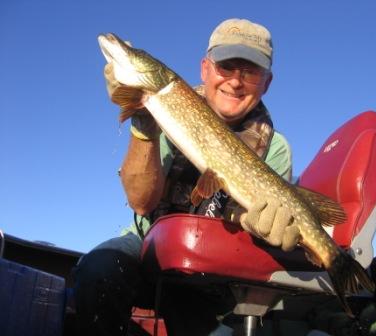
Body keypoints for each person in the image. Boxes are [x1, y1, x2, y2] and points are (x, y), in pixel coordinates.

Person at [74, 18, 299, 336]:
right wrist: (143, 123)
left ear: (267, 82)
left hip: (215, 261)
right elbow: (141, 203)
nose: (235, 82)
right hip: (148, 240)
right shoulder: (168, 110)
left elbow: (260, 229)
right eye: (226, 67)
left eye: (249, 72)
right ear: (205, 68)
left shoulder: (275, 147)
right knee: (98, 272)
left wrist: (261, 225)